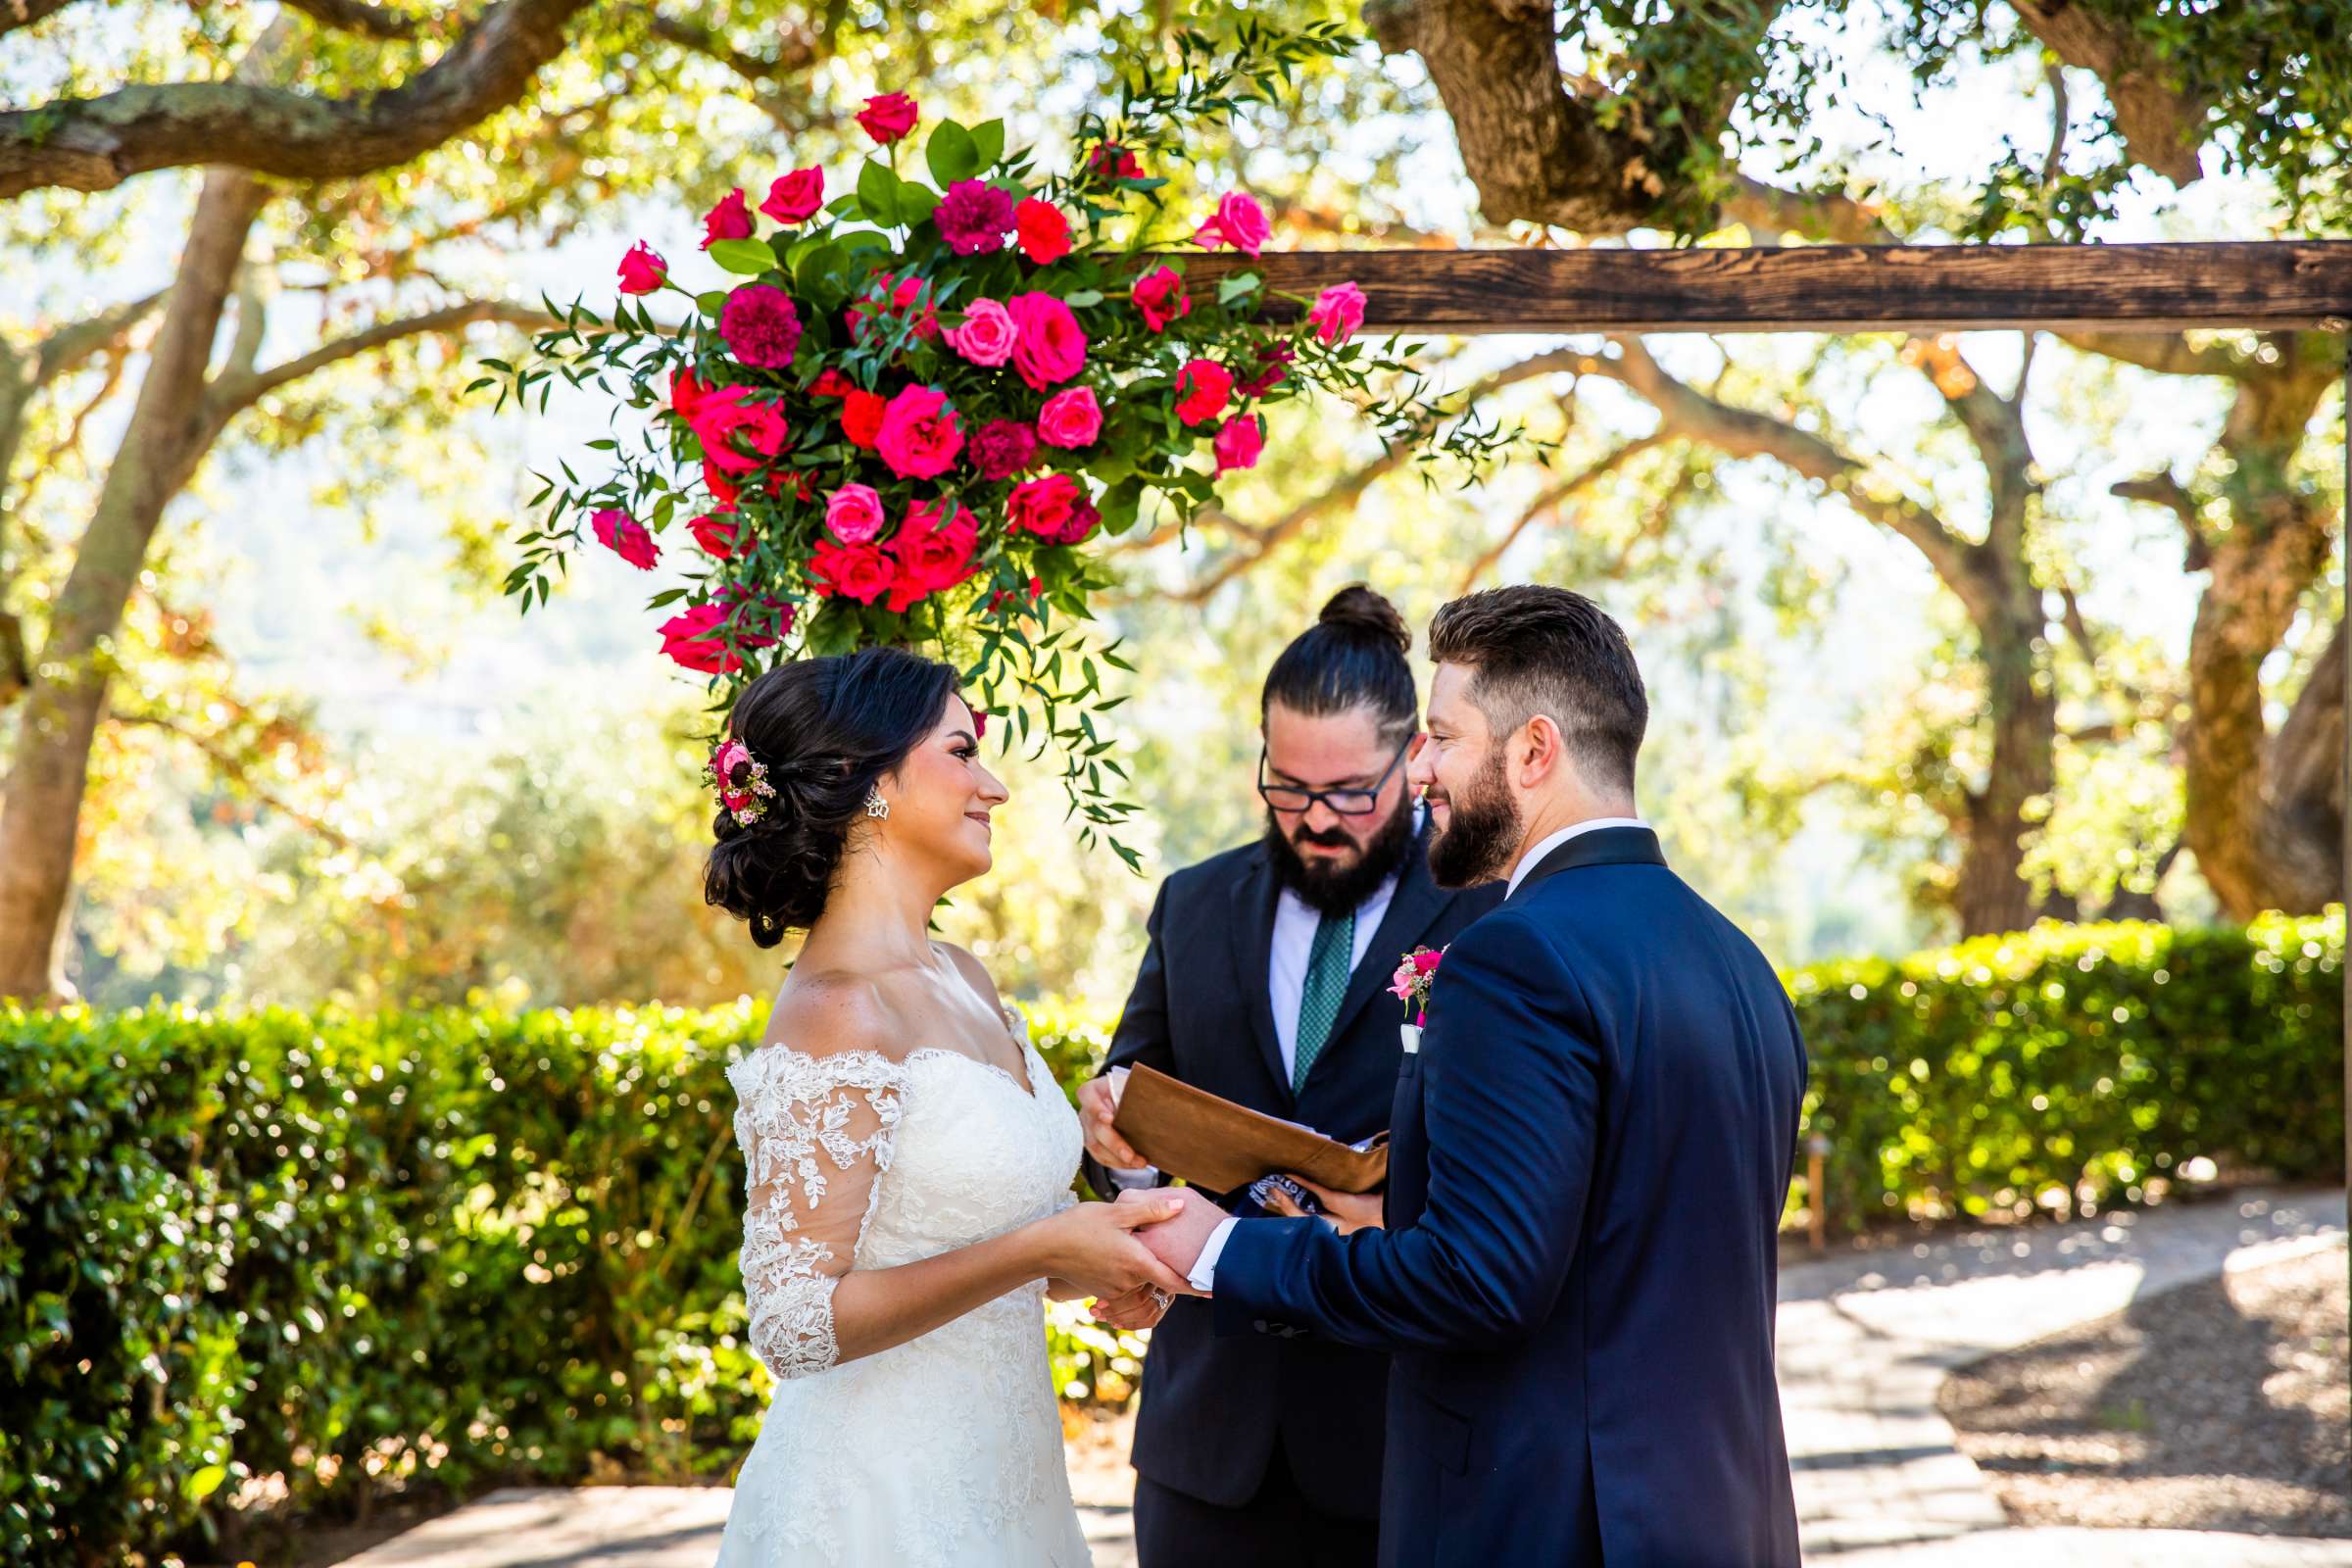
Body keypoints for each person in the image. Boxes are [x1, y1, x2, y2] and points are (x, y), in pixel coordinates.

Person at [1128, 585, 1808, 1568]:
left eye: (1441, 736)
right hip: (1717, 1515)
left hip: (1550, 1521)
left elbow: (1480, 1282)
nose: (1425, 767)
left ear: (1533, 751)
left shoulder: (1512, 955)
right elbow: (1624, 1238)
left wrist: (1224, 1251)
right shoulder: (1735, 959)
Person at [702, 646, 1191, 1568]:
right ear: (866, 782)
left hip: (1012, 1485)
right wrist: (1044, 1248)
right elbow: (795, 1322)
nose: (995, 786)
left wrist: (1097, 1260)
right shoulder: (837, 1011)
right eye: (963, 752)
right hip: (874, 1509)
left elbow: (982, 1239)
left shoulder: (964, 973)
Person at [1077, 587, 1503, 1568]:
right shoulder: (1192, 904)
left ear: (1414, 761)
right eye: (1287, 787)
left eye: (1351, 791)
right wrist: (1124, 1153)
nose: (1316, 820)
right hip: (1207, 1449)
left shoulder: (1488, 914)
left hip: (1402, 1436)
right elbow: (1132, 1115)